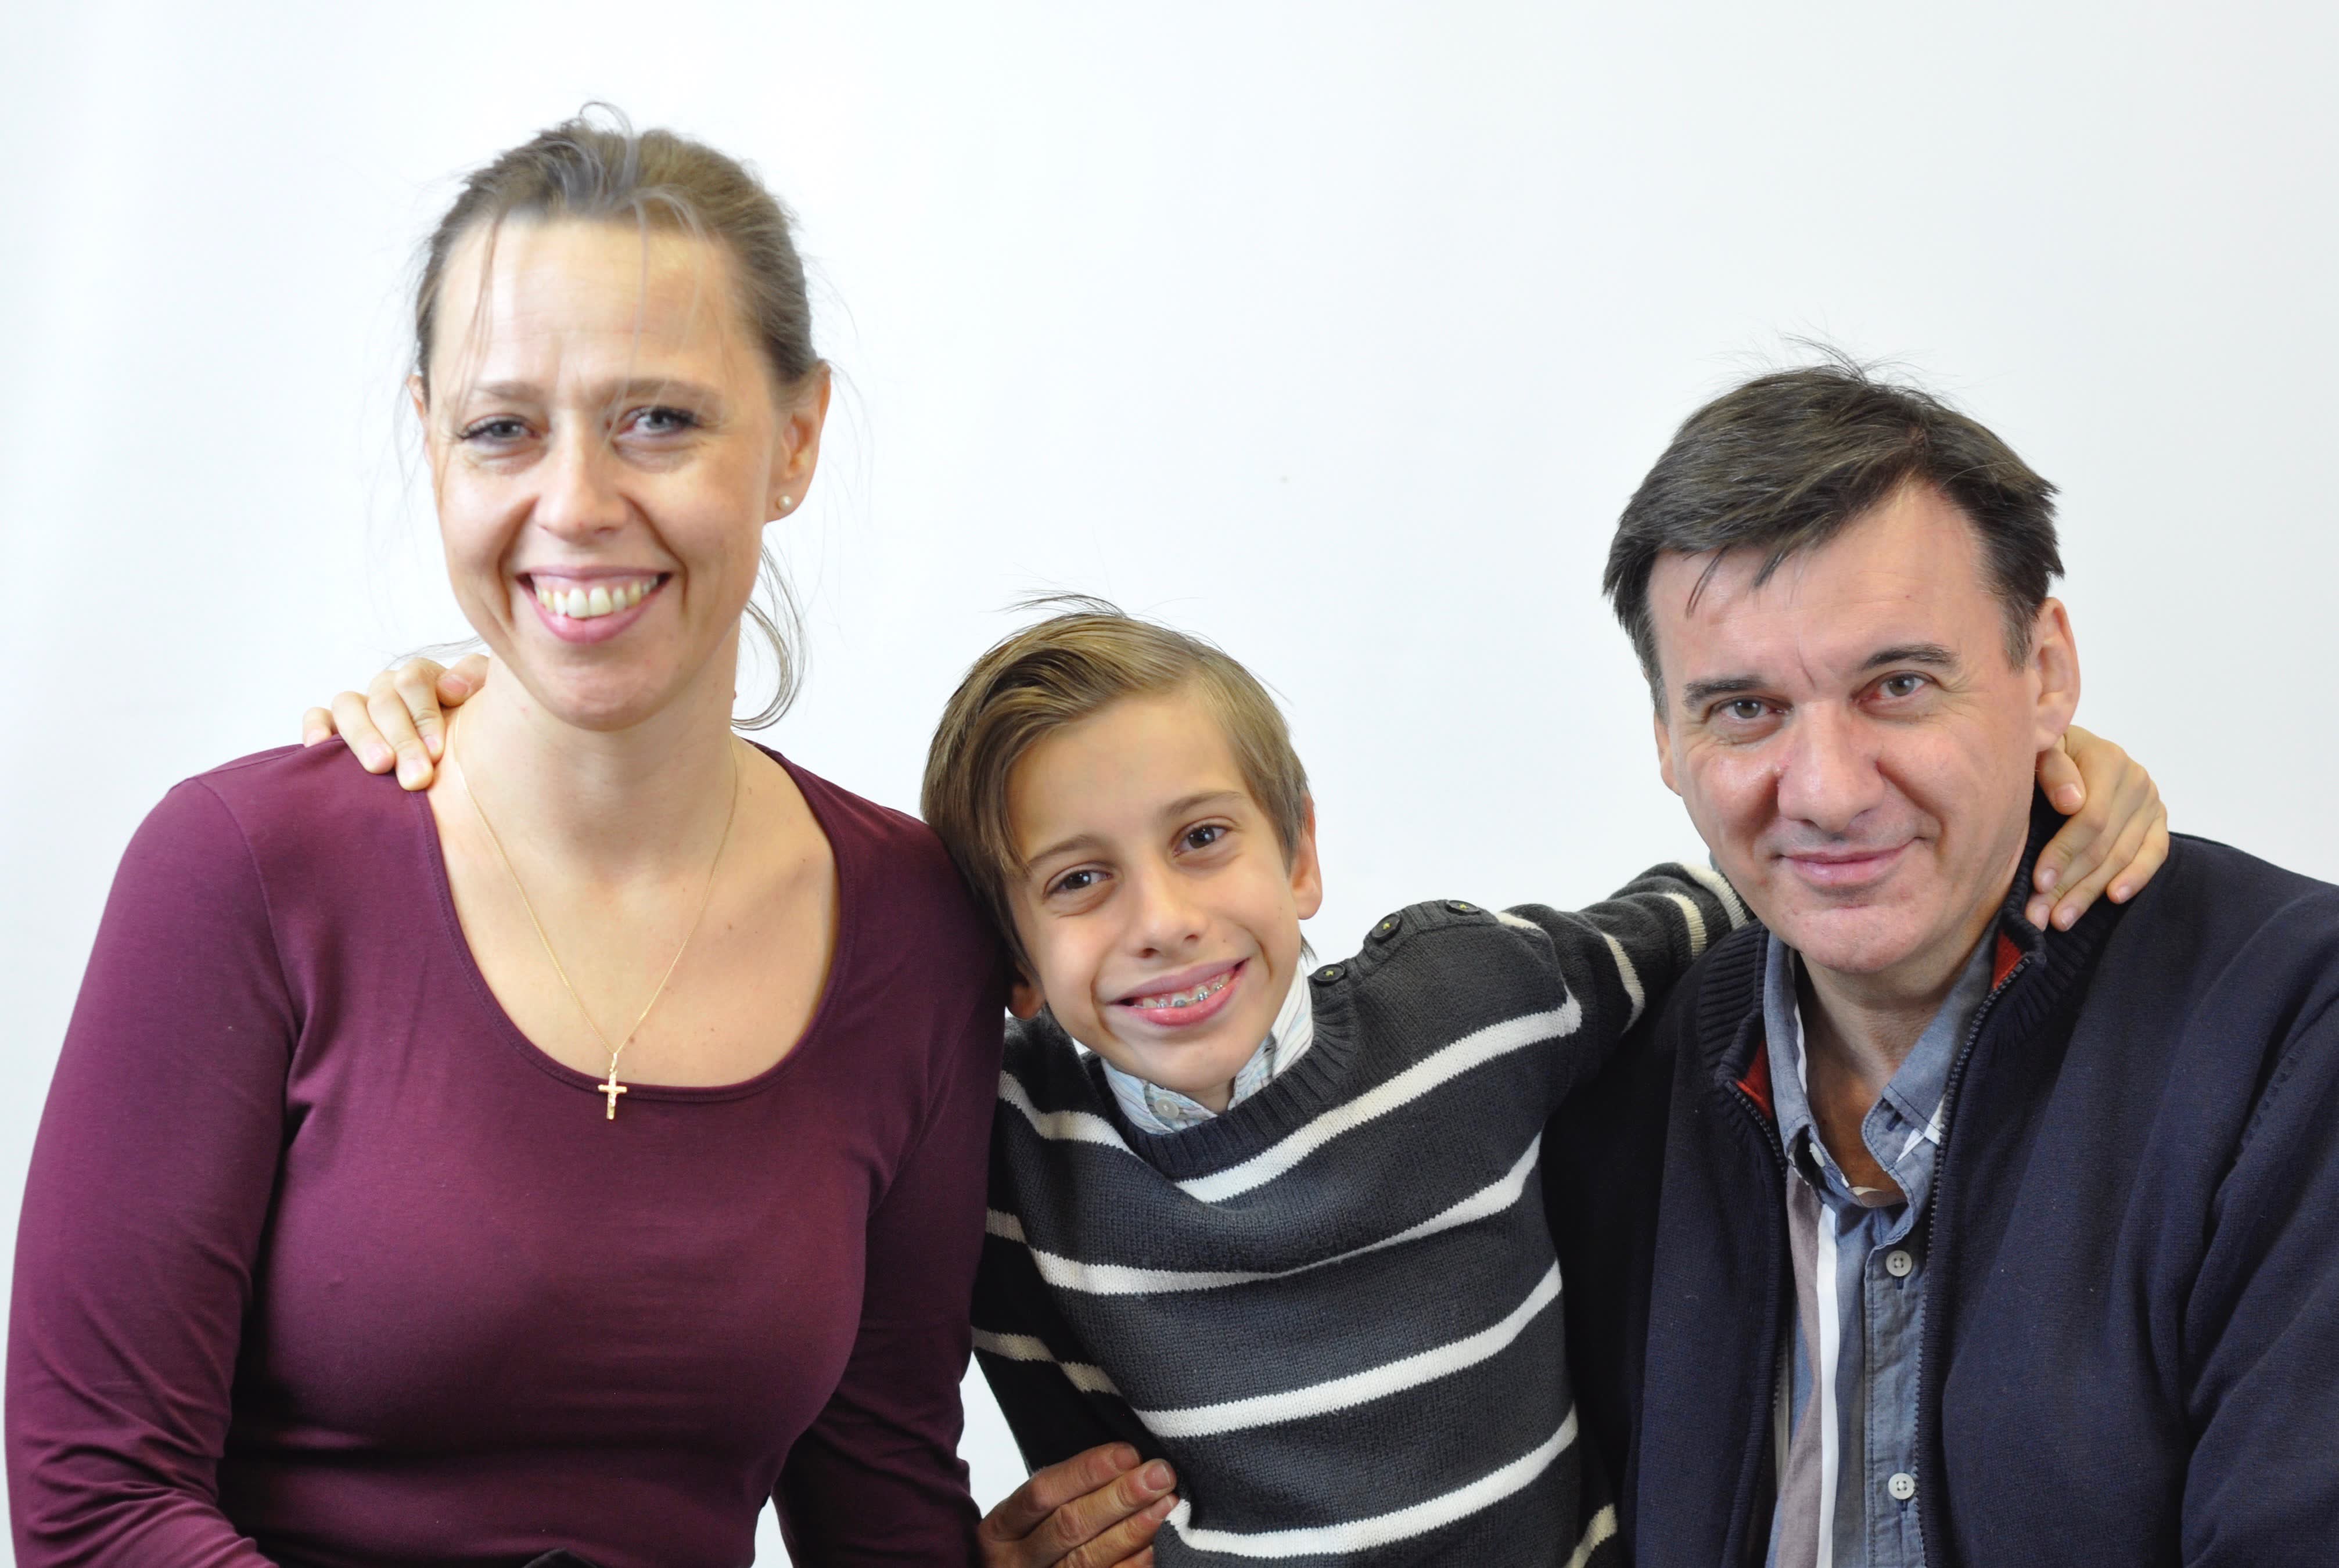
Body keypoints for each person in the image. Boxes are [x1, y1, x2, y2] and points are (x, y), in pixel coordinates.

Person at [330, 605, 2164, 1566]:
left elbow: (1726, 894)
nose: (1161, 918)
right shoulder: (1008, 1149)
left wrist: (2028, 777)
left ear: (1300, 855)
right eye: (1077, 880)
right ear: (1010, 955)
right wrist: (488, 717)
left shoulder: (1470, 998)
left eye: (1204, 838)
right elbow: (1064, 1464)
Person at [8, 114, 1007, 1566]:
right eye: (502, 429)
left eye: (658, 419)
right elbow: (95, 1511)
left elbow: (880, 1508)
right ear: (432, 443)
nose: (578, 505)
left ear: (795, 442)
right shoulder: (245, 869)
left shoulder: (915, 926)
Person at [1547, 359, 2338, 1567]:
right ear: (1666, 737)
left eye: (1900, 686)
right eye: (1745, 709)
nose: (1825, 791)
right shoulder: (1607, 1083)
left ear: (2046, 673)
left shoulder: (2291, 1034)